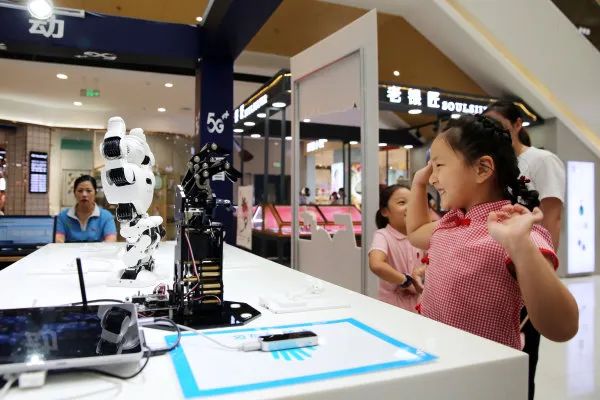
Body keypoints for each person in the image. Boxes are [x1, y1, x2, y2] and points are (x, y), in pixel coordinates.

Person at [406, 116, 578, 394]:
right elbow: (415, 231)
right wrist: (418, 184)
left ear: (482, 168)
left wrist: (520, 246)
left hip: (484, 382)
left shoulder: (511, 229)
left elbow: (563, 327)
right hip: (441, 369)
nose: (433, 177)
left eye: (438, 165)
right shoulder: (453, 223)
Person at [485, 101, 566, 399]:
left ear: (518, 124)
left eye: (499, 124)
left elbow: (552, 216)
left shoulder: (542, 161)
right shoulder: (494, 164)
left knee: (524, 354)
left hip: (527, 264)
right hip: (496, 267)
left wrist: (544, 270)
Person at [369, 184, 423, 311]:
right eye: (402, 202)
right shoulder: (383, 235)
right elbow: (376, 264)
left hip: (419, 305)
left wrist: (421, 271)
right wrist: (406, 281)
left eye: (413, 202)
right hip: (392, 307)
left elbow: (433, 259)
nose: (410, 207)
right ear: (385, 211)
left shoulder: (419, 235)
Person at [55, 175, 117, 243]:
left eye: (88, 191)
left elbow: (111, 241)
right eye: (80, 191)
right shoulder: (63, 216)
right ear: (74, 193)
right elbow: (59, 240)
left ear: (95, 193)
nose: (84, 194)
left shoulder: (106, 216)